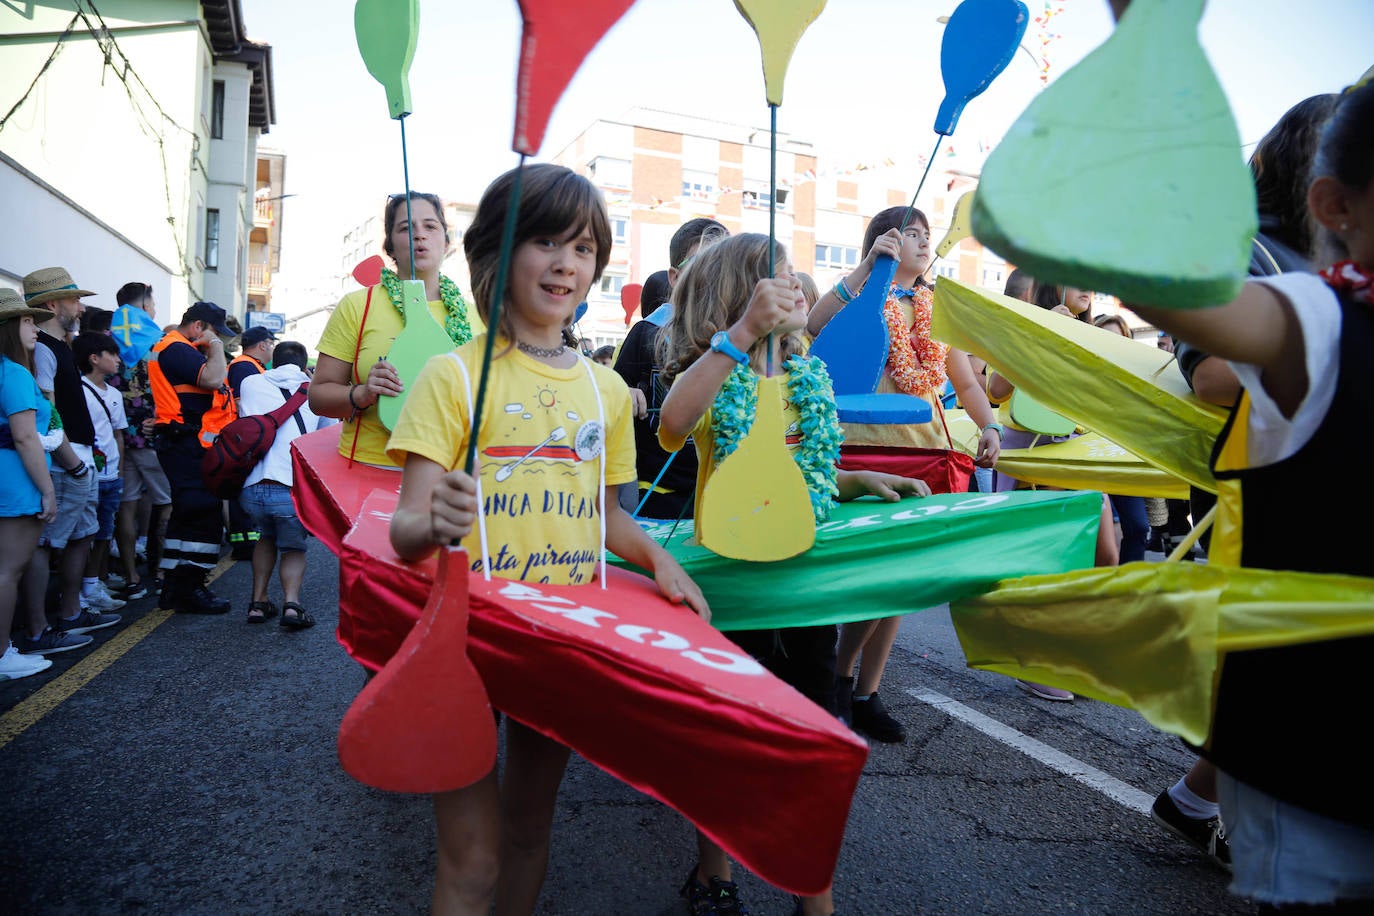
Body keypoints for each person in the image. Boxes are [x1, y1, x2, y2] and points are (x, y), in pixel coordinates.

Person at [386, 163, 708, 915]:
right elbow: (405, 528)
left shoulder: (602, 388)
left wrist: (659, 560)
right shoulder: (450, 378)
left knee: (530, 833)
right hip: (460, 643)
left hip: (559, 638)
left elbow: (607, 518)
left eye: (585, 248)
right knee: (471, 861)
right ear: (496, 253)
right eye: (545, 241)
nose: (566, 263)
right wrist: (433, 524)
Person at [1127, 77, 1374, 912]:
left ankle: (1199, 794)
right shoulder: (1318, 311)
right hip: (1324, 732)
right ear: (1335, 202)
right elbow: (1166, 306)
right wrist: (1153, 63)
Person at [658, 232, 931, 916]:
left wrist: (853, 478)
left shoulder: (805, 374)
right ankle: (712, 872)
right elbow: (671, 425)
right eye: (781, 280)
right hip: (729, 588)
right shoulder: (713, 369)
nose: (798, 290)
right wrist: (741, 335)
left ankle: (815, 894)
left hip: (804, 585)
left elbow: (798, 475)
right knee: (726, 742)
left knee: (812, 743)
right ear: (741, 294)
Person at [806, 207, 1001, 743]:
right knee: (870, 574)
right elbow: (813, 324)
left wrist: (989, 427)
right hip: (866, 450)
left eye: (925, 235)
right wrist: (868, 268)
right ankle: (838, 679)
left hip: (926, 450)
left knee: (902, 577)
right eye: (908, 234)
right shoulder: (865, 295)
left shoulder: (940, 309)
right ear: (884, 242)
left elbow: (963, 380)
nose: (920, 242)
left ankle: (861, 690)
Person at [311, 191, 480, 467]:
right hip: (369, 469)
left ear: (447, 241)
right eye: (406, 228)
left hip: (450, 474)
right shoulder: (358, 306)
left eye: (430, 226)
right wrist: (362, 394)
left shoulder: (477, 316)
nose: (419, 235)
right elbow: (318, 397)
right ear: (389, 245)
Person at [20, 267, 119, 656]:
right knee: (47, 543)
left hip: (77, 457)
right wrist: (69, 459)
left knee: (81, 535)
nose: (80, 307)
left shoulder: (58, 344)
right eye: (74, 300)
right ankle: (40, 628)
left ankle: (71, 612)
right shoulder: (43, 346)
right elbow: (46, 409)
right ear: (51, 304)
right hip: (66, 459)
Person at [612, 220, 727, 521]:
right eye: (701, 263)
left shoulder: (745, 341)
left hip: (727, 495)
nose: (712, 275)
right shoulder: (646, 333)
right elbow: (611, 401)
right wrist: (622, 395)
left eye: (723, 264)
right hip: (657, 500)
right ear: (676, 277)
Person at [148, 301, 235, 614]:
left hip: (184, 442)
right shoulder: (177, 348)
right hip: (185, 443)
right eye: (215, 333)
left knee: (188, 514)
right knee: (201, 513)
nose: (220, 341)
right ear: (198, 327)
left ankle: (176, 587)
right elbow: (213, 380)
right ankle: (191, 587)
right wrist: (213, 346)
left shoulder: (177, 349)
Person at [238, 340, 320, 629]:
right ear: (303, 363)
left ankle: (258, 604)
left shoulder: (250, 382)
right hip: (289, 488)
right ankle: (292, 606)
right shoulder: (315, 392)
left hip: (252, 486)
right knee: (293, 548)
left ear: (273, 359)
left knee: (266, 538)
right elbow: (325, 434)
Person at [0, 291, 61, 680]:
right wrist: (49, 490)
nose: (35, 327)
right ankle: (2, 654)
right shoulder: (14, 372)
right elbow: (25, 437)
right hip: (16, 481)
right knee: (7, 571)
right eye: (25, 321)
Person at [111, 282, 170, 600]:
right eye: (154, 301)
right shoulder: (156, 339)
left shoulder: (107, 338)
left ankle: (131, 576)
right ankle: (160, 573)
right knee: (165, 502)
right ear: (145, 303)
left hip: (118, 439)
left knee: (126, 506)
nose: (155, 309)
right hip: (151, 435)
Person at [75, 332, 130, 610]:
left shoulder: (116, 394)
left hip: (110, 475)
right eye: (113, 354)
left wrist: (118, 470)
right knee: (83, 534)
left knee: (104, 533)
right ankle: (78, 592)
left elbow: (118, 434)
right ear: (94, 358)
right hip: (88, 473)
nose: (118, 360)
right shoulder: (78, 390)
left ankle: (93, 584)